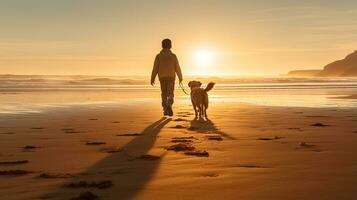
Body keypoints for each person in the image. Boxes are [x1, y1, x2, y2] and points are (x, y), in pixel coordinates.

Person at [151, 39, 183, 116]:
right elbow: (177, 67)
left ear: (162, 45)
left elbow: (155, 68)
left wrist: (152, 78)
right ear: (170, 46)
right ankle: (169, 103)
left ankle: (165, 110)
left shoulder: (158, 56)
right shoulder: (173, 56)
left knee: (164, 94)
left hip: (162, 78)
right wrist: (180, 77)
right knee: (170, 93)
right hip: (171, 77)